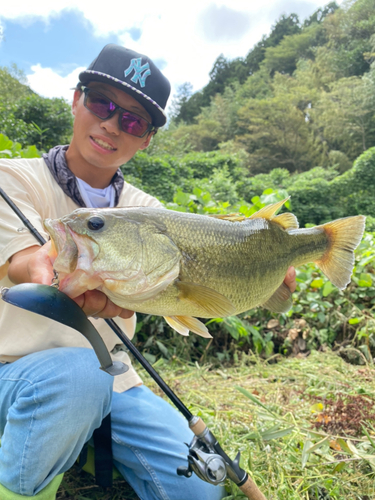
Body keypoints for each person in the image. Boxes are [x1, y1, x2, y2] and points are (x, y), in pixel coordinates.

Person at [0, 44, 297, 500]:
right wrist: (40, 267)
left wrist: (265, 276)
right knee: (77, 377)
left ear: (146, 139)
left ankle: (80, 440)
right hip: (13, 374)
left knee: (198, 492)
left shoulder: (150, 212)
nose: (112, 124)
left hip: (115, 379)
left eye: (134, 121)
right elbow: (21, 259)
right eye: (102, 102)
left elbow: (195, 294)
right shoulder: (11, 179)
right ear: (76, 99)